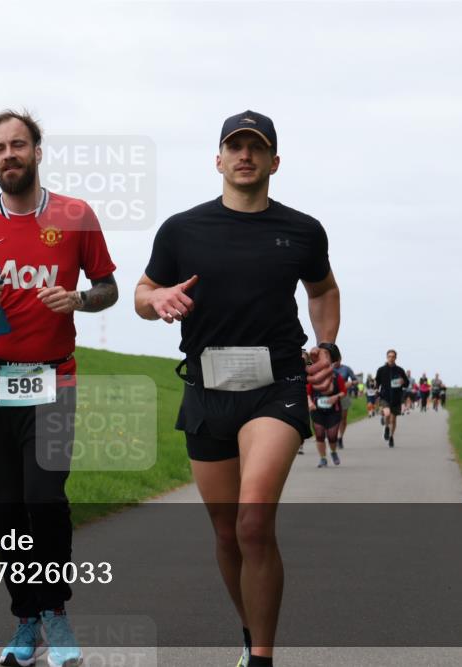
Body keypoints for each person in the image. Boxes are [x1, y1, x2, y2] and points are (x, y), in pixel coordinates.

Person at [134, 110, 340, 667]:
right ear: (218, 160)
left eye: (257, 147)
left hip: (278, 383)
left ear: (274, 161)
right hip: (207, 386)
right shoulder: (181, 229)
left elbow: (322, 290)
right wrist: (157, 300)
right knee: (227, 532)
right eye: (235, 146)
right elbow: (143, 292)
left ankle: (263, 659)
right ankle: (251, 635)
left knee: (253, 520)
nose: (245, 155)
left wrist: (327, 347)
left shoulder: (302, 230)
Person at [0, 109, 118, 667]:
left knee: (45, 499)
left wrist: (80, 300)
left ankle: (55, 612)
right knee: (3, 509)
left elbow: (107, 287)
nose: (9, 155)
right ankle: (25, 619)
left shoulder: (75, 215)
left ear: (38, 151)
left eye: (18, 144)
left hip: (53, 381)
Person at [307, 353, 346, 468]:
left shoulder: (336, 376)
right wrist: (310, 403)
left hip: (334, 410)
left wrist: (336, 397)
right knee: (319, 435)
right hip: (317, 409)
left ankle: (333, 452)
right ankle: (323, 458)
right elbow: (307, 393)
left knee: (332, 436)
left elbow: (344, 391)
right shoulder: (313, 375)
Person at [375, 350, 409, 448]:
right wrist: (376, 391)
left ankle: (391, 437)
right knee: (387, 414)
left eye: (393, 356)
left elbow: (406, 383)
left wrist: (403, 382)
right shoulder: (381, 370)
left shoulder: (400, 370)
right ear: (387, 357)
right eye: (389, 356)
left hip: (396, 397)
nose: (391, 358)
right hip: (384, 396)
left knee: (393, 420)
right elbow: (377, 382)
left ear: (395, 358)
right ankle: (386, 427)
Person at [334, 357, 357, 448]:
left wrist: (350, 383)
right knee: (333, 418)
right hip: (332, 396)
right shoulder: (329, 368)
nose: (335, 362)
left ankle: (340, 437)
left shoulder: (346, 369)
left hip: (344, 395)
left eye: (337, 360)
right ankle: (333, 437)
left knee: (343, 418)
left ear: (340, 359)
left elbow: (355, 380)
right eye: (333, 360)